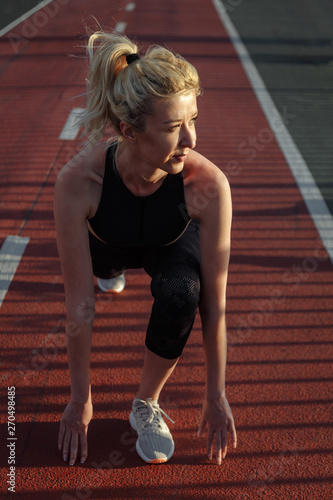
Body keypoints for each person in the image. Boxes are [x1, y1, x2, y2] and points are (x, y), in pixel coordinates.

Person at [54, 30, 237, 467]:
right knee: (102, 279)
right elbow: (79, 306)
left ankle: (146, 403)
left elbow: (215, 305)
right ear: (128, 131)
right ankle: (111, 274)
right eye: (174, 127)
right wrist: (81, 398)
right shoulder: (79, 184)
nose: (191, 139)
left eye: (194, 119)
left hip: (166, 244)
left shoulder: (207, 184)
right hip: (106, 244)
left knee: (183, 291)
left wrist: (216, 394)